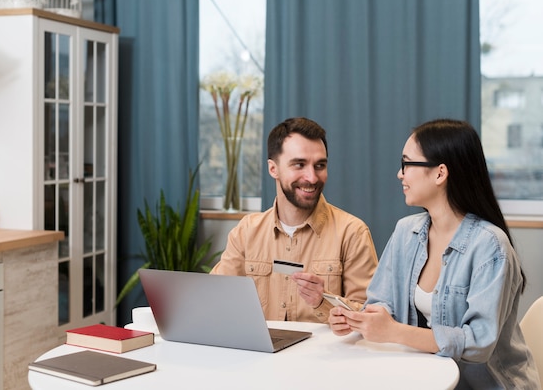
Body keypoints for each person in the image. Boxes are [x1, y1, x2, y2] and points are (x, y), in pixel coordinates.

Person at [329, 119, 540, 388]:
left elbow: (478, 342)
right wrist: (358, 319)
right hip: (423, 376)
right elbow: (381, 301)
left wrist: (394, 332)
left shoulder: (490, 246)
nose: (400, 174)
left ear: (440, 174)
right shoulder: (406, 232)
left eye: (407, 164)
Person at [211, 117, 378, 323]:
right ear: (273, 169)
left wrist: (322, 302)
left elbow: (368, 314)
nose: (312, 177)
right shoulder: (246, 231)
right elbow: (215, 297)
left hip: (325, 355)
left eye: (320, 165)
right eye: (299, 164)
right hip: (261, 353)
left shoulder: (352, 232)